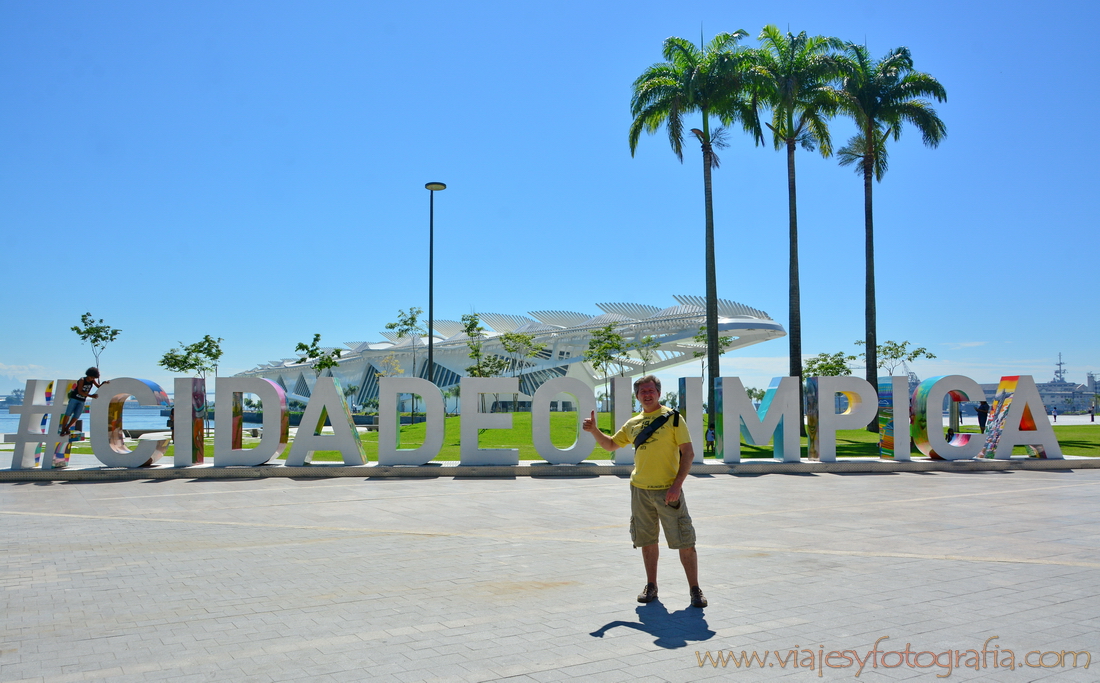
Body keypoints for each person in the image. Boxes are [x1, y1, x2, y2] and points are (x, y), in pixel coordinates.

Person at [582, 375, 706, 608]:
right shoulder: (633, 424)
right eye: (642, 392)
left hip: (668, 491)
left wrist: (677, 485)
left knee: (684, 540)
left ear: (658, 393)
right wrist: (594, 430)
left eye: (651, 390)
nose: (647, 394)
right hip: (640, 490)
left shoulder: (673, 418)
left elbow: (688, 454)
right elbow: (610, 445)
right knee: (647, 540)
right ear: (637, 396)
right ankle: (651, 586)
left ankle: (695, 589)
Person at [58, 367, 108, 435]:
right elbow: (80, 391)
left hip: (82, 400)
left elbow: (98, 386)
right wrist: (91, 396)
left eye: (94, 378)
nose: (93, 379)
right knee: (68, 414)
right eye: (92, 377)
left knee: (77, 416)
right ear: (88, 375)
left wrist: (103, 383)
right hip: (74, 398)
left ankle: (67, 428)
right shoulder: (82, 380)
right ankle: (63, 429)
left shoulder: (92, 381)